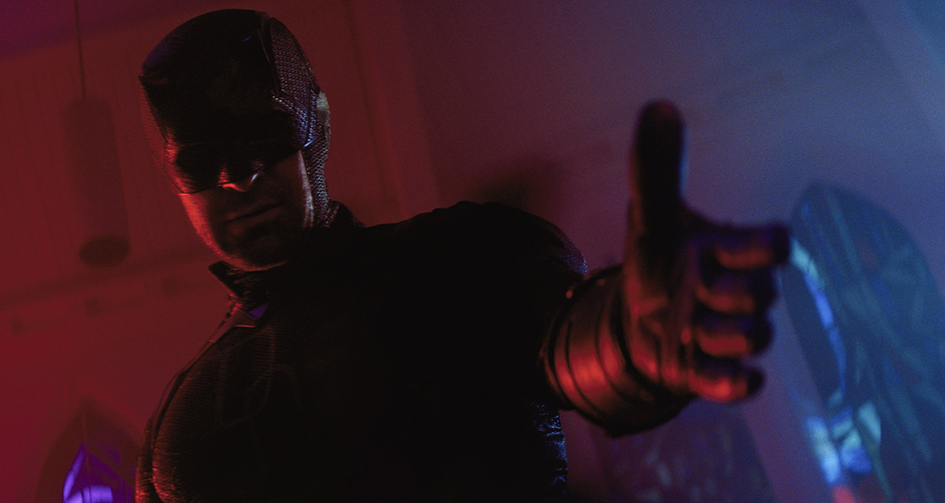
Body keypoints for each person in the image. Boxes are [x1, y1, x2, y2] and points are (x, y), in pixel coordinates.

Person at [134, 9, 787, 502]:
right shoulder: (178, 417)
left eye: (265, 137)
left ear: (317, 128)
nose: (237, 178)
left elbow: (560, 340)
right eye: (201, 160)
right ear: (173, 181)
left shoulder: (449, 261)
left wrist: (623, 340)